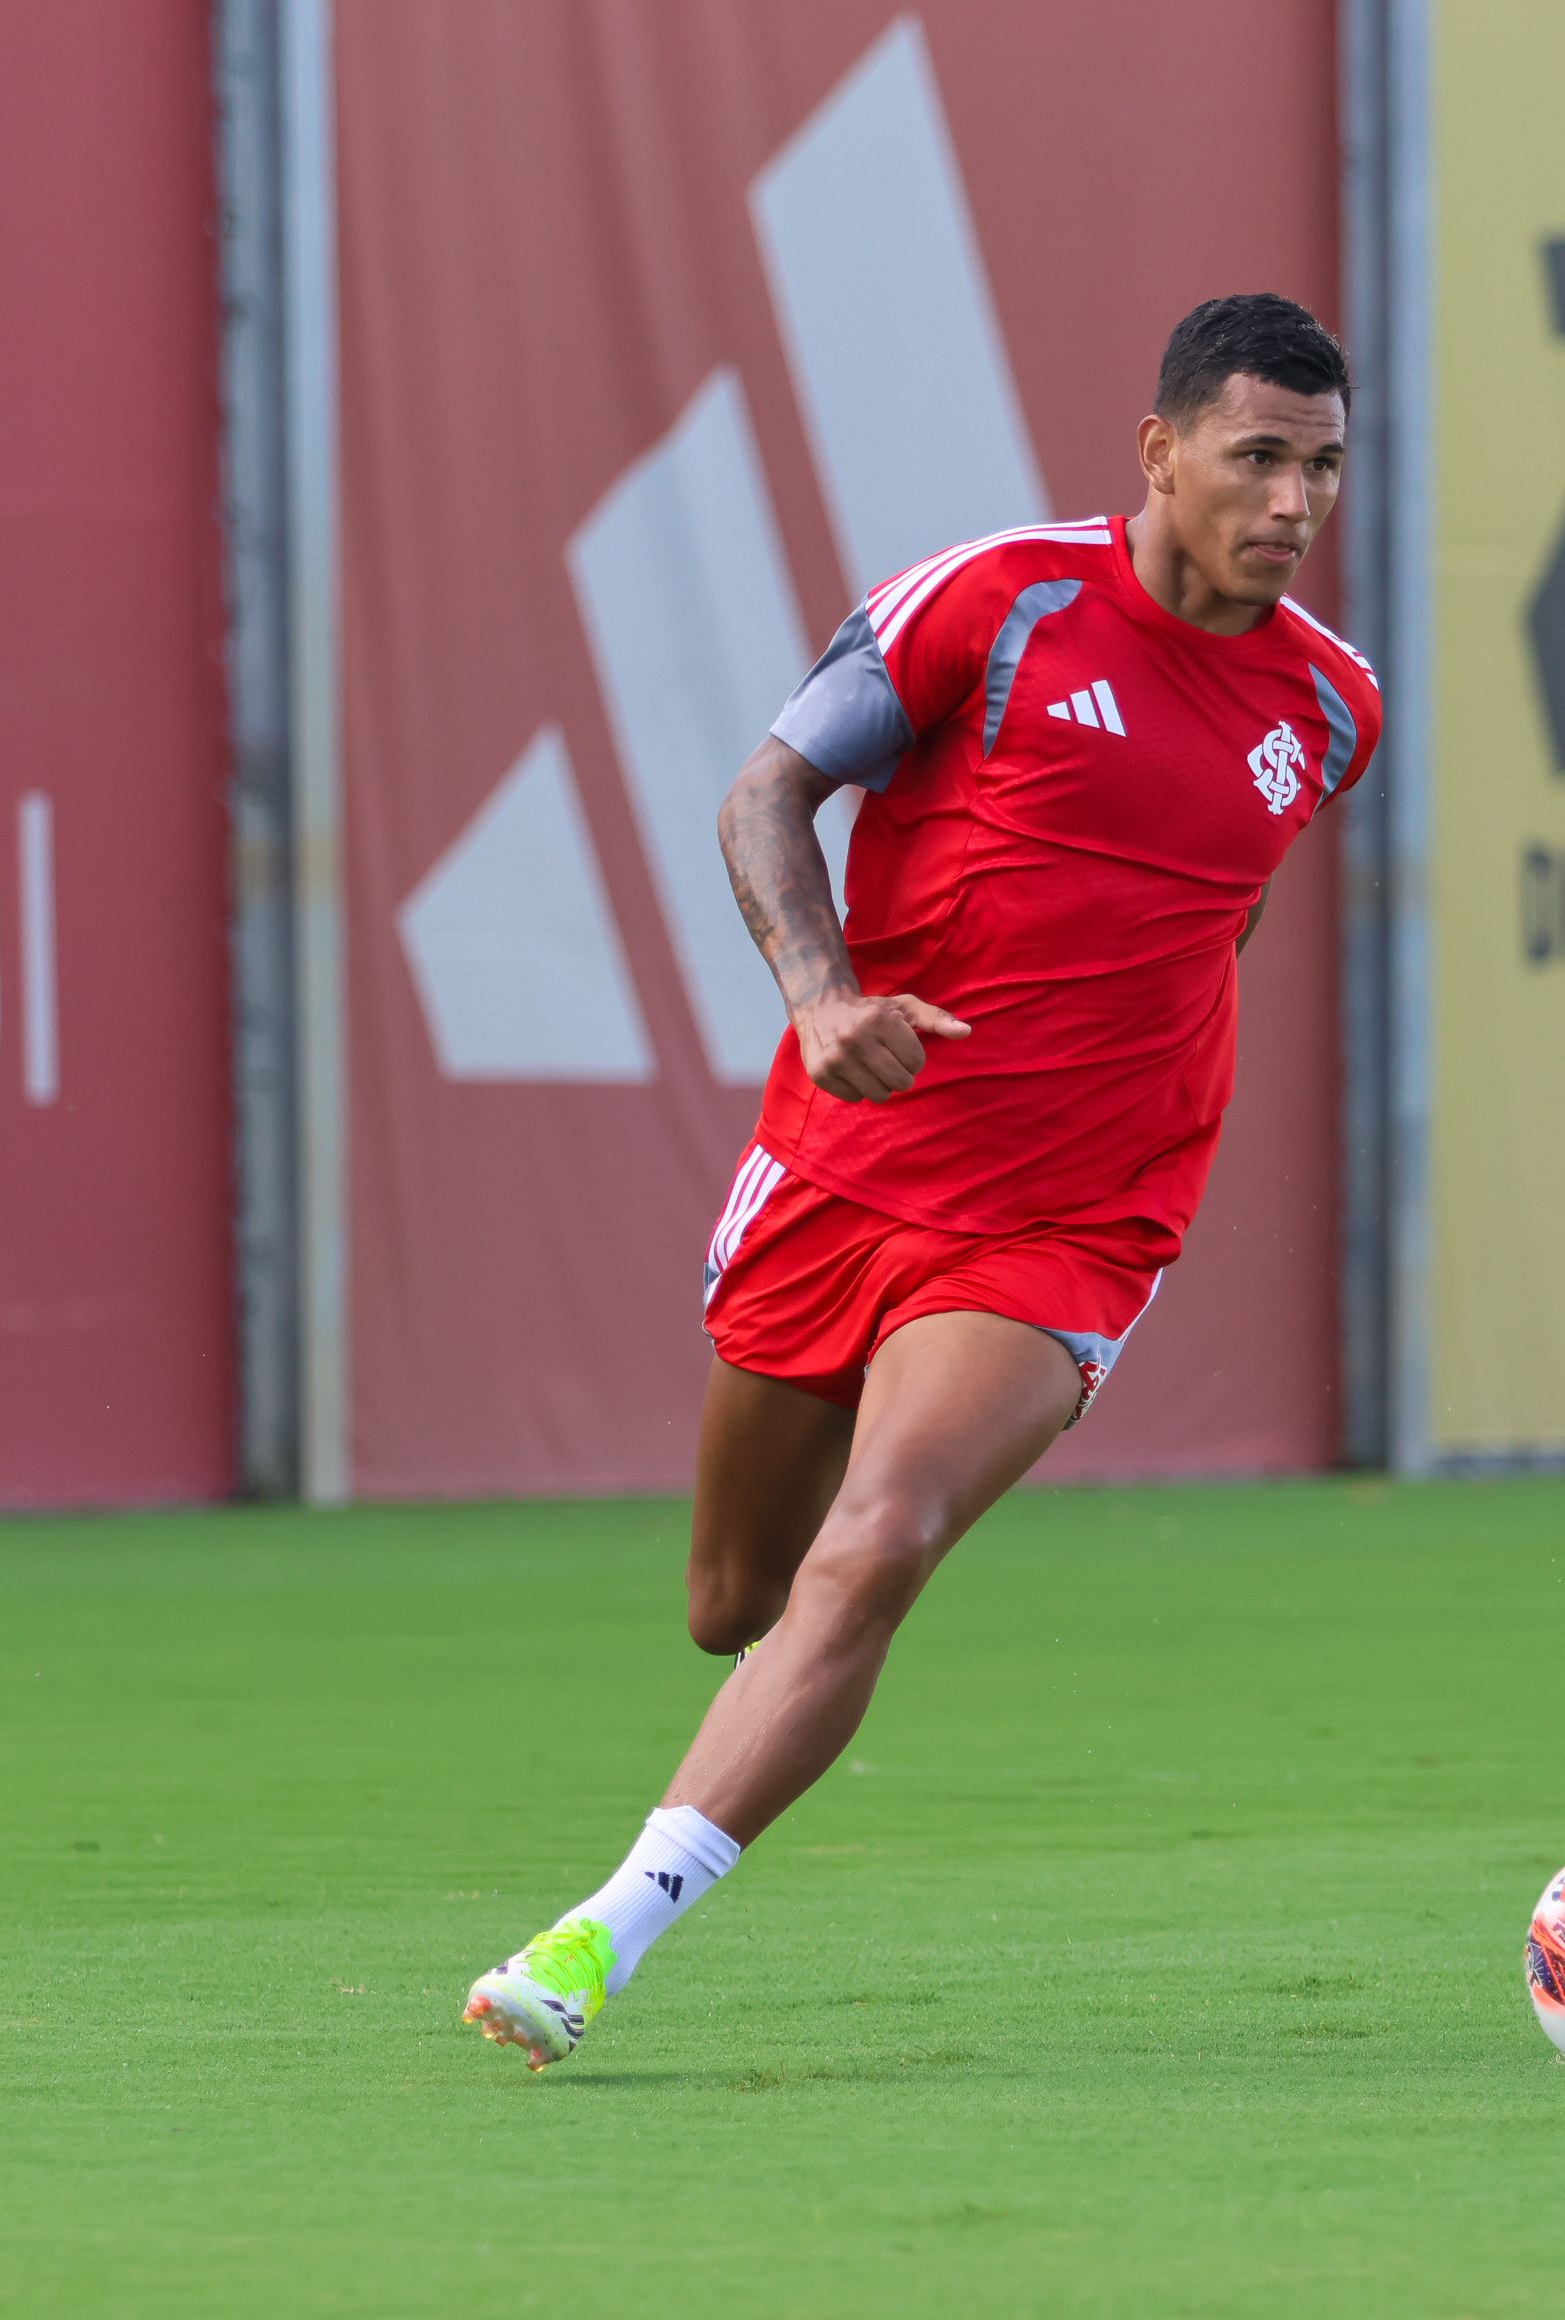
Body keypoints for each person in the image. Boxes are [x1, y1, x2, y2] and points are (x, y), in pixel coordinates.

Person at [467, 293, 1380, 2067]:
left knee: (881, 1545)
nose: (1292, 502)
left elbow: (1215, 914)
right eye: (1258, 458)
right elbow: (765, 794)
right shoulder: (997, 603)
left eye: (1324, 467)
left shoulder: (1327, 707)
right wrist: (822, 1002)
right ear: (1162, 452)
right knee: (736, 1598)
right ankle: (783, 1656)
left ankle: (598, 1941)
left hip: (1077, 1222)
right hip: (851, 1164)